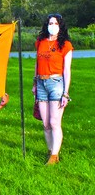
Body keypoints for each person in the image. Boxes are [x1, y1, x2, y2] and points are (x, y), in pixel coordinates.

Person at [32, 13, 73, 165]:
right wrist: (35, 83)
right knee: (45, 123)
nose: (53, 26)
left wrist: (65, 92)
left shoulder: (65, 45)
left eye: (56, 23)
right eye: (50, 23)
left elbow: (67, 70)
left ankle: (54, 156)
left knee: (55, 122)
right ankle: (50, 151)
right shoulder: (40, 42)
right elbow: (37, 64)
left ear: (60, 26)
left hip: (56, 83)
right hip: (41, 83)